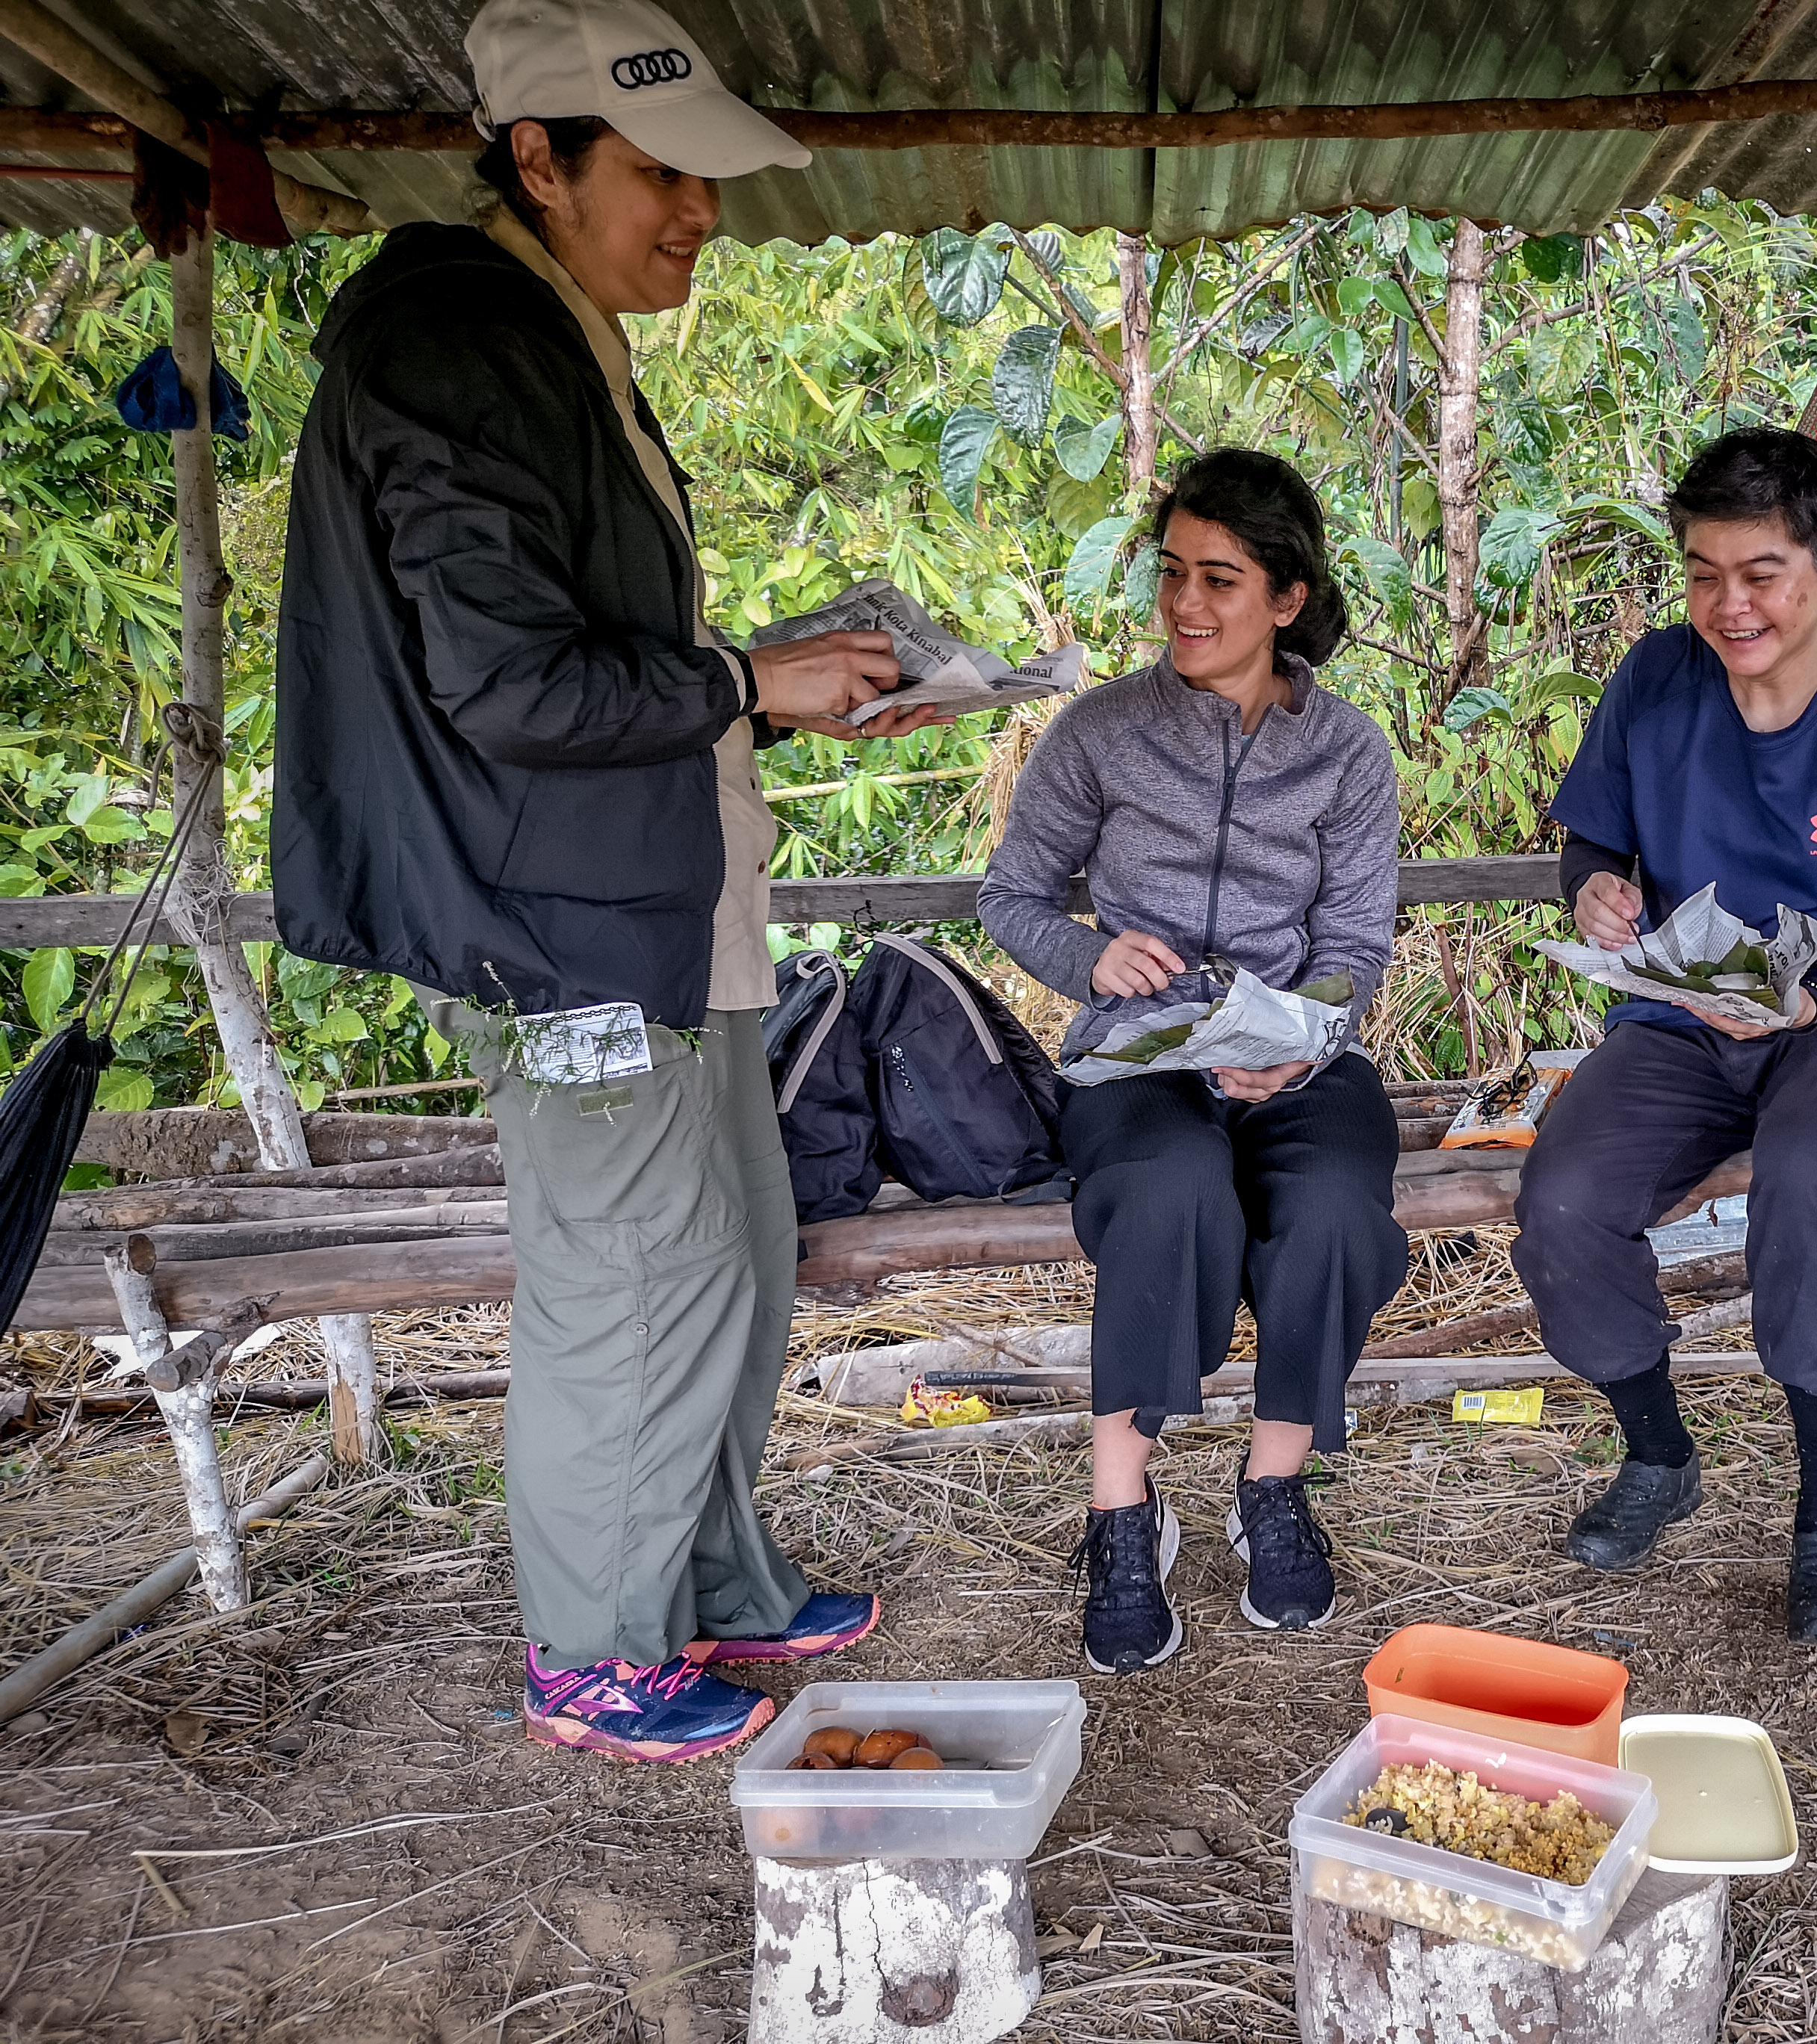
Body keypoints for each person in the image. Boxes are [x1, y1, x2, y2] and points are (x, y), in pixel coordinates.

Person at [273, 0, 945, 1762]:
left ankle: (706, 1575)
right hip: (564, 938)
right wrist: (741, 682)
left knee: (736, 1253)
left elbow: (586, 660)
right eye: (662, 175)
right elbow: (501, 688)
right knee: (627, 1278)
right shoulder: (454, 336)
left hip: (661, 908)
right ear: (538, 161)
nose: (701, 214)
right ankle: (594, 1646)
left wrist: (771, 679)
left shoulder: (557, 336)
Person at [1512, 428, 1817, 1644]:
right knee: (1563, 1195)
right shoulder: (1656, 679)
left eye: (1765, 572)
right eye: (1703, 573)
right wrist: (1595, 889)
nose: (1732, 605)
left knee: (1809, 1174)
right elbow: (1592, 839)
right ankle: (1659, 1456)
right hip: (1687, 1019)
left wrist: (1809, 1005)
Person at [979, 450, 1405, 1675]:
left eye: (1221, 578)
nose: (1185, 605)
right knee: (1168, 1189)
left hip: (1300, 1061)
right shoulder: (1103, 730)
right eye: (1172, 573)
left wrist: (1300, 1038)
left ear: (1286, 598)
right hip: (1140, 1058)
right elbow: (1009, 898)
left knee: (1330, 1206)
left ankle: (1273, 1489)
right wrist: (1089, 960)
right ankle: (1123, 1510)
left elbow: (1353, 947)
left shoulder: (1348, 756)